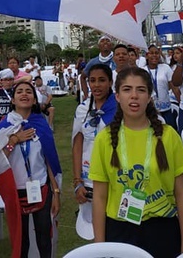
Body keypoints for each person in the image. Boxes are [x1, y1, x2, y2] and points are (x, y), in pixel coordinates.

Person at [90, 67, 183, 257]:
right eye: (127, 89)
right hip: (120, 229)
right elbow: (99, 197)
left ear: (149, 96)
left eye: (141, 90)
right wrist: (99, 247)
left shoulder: (169, 135)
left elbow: (182, 194)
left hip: (162, 227)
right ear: (118, 96)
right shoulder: (104, 139)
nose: (134, 96)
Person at [0, 81, 61, 258]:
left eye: (29, 91)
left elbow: (49, 159)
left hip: (41, 188)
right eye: (19, 91)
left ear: (35, 100)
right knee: (21, 240)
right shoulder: (5, 126)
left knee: (44, 239)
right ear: (13, 100)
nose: (24, 94)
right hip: (15, 192)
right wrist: (13, 140)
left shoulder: (41, 125)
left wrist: (56, 192)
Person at [71, 64, 117, 236]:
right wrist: (77, 182)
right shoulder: (83, 109)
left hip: (114, 179)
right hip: (88, 178)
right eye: (92, 80)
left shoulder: (121, 109)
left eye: (102, 80)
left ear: (111, 82)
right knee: (94, 230)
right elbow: (77, 146)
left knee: (115, 229)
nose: (96, 85)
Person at [142, 45, 178, 129]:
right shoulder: (142, 71)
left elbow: (174, 88)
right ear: (147, 56)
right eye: (151, 53)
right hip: (149, 110)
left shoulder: (165, 68)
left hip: (166, 109)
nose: (154, 55)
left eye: (156, 53)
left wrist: (181, 103)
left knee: (169, 132)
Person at [80, 35, 116, 101]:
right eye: (102, 41)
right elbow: (83, 77)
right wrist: (86, 94)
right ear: (98, 46)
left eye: (107, 40)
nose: (105, 42)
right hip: (99, 96)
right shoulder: (93, 62)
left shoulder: (117, 59)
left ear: (111, 45)